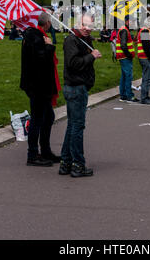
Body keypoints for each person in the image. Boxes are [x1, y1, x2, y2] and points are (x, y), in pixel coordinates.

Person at [59, 11, 102, 177]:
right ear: (78, 23)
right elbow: (73, 64)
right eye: (84, 25)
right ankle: (77, 164)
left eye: (90, 26)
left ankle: (66, 162)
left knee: (72, 126)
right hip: (75, 87)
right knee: (77, 126)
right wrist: (91, 57)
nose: (87, 28)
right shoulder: (71, 39)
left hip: (79, 87)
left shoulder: (82, 39)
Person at [20, 11, 60, 167]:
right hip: (37, 86)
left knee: (48, 117)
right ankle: (32, 154)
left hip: (39, 85)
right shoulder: (36, 37)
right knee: (38, 119)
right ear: (48, 23)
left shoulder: (35, 35)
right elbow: (40, 60)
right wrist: (49, 47)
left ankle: (45, 150)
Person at [116, 16, 138, 103]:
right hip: (125, 57)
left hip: (122, 56)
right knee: (128, 76)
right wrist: (129, 55)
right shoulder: (124, 30)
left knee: (124, 76)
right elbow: (123, 45)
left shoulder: (124, 29)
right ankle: (129, 96)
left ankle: (123, 95)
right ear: (128, 21)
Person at [137, 17, 150, 104]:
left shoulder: (145, 31)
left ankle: (145, 96)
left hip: (146, 57)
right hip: (146, 58)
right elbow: (146, 46)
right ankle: (144, 97)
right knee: (147, 79)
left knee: (147, 78)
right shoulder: (145, 31)